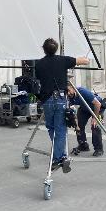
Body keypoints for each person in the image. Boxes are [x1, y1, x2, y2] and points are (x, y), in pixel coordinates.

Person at [35, 38, 89, 173]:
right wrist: (85, 58)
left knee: (51, 128)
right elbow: (83, 61)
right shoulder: (63, 60)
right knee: (60, 129)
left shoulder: (39, 64)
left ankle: (59, 156)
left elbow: (40, 78)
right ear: (56, 49)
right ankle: (59, 158)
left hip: (47, 99)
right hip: (59, 98)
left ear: (44, 49)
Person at [67, 80, 106, 157]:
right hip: (84, 108)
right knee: (79, 125)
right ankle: (83, 145)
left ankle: (99, 149)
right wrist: (76, 124)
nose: (68, 93)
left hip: (97, 107)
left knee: (94, 126)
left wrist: (95, 118)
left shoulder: (82, 91)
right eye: (66, 91)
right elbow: (72, 111)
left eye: (68, 90)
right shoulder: (67, 97)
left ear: (73, 88)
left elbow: (97, 104)